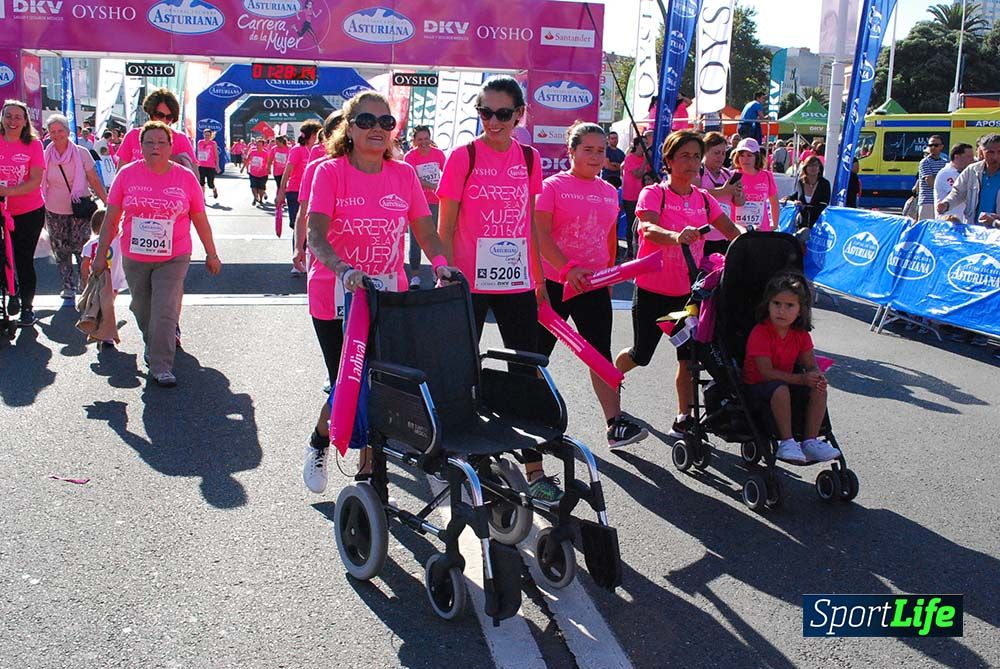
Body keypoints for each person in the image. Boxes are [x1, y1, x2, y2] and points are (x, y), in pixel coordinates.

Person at [301, 92, 453, 493]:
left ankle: (369, 471)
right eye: (366, 121)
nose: (377, 129)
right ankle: (319, 440)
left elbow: (425, 230)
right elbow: (315, 234)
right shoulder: (329, 172)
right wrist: (343, 269)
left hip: (387, 295)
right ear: (349, 128)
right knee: (347, 383)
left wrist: (441, 264)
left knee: (381, 383)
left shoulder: (403, 174)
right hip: (336, 295)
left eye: (386, 123)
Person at [437, 75, 562, 502]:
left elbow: (529, 224)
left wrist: (539, 279)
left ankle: (534, 469)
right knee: (462, 367)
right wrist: (443, 272)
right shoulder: (464, 156)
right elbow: (445, 224)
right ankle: (463, 453)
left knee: (526, 367)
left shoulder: (529, 158)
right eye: (485, 112)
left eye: (502, 113)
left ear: (519, 114)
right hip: (468, 282)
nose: (493, 121)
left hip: (516, 281)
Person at [615, 130, 740, 439]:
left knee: (689, 356)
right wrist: (676, 236)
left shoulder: (704, 198)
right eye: (685, 156)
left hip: (686, 296)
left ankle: (684, 417)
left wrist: (754, 242)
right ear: (669, 161)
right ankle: (611, 377)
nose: (692, 162)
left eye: (696, 156)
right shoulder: (654, 193)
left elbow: (730, 230)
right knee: (641, 355)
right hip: (651, 292)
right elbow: (647, 228)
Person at [535, 122, 648, 448]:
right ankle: (531, 418)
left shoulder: (608, 191)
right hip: (554, 285)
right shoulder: (552, 187)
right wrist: (566, 269)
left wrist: (608, 277)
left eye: (601, 150)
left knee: (599, 354)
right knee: (537, 356)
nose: (596, 156)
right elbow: (538, 234)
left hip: (593, 286)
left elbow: (609, 240)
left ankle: (615, 424)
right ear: (571, 152)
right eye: (588, 149)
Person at [92, 121, 222, 387]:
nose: (156, 147)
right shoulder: (127, 174)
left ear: (170, 147)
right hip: (135, 255)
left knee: (164, 309)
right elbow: (111, 218)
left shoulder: (185, 177)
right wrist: (100, 254)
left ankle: (161, 364)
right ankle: (153, 345)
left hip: (174, 255)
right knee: (142, 308)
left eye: (162, 143)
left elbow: (200, 218)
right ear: (140, 147)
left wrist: (212, 254)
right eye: (149, 142)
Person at [743, 272, 840, 463]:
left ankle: (810, 441)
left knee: (819, 388)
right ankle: (787, 441)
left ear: (800, 310)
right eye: (776, 304)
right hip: (755, 385)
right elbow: (766, 373)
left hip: (784, 382)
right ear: (768, 305)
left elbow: (811, 364)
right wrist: (802, 379)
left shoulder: (800, 334)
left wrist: (816, 376)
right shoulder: (761, 332)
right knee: (780, 389)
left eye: (789, 306)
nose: (781, 310)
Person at [42, 114, 109, 299]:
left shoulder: (81, 153)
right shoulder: (46, 155)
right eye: (53, 132)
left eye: (60, 130)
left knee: (82, 249)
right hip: (54, 210)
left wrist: (107, 201)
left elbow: (94, 179)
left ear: (68, 131)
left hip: (80, 209)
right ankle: (67, 286)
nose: (57, 135)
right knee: (61, 251)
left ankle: (85, 284)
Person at [0, 100, 46, 326]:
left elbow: (36, 180)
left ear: (25, 121)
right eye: (8, 116)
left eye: (18, 117)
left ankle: (27, 307)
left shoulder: (33, 145)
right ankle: (11, 290)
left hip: (28, 211)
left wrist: (7, 191)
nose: (13, 121)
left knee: (23, 259)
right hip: (1, 211)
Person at [403, 125, 446, 289]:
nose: (423, 143)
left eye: (426, 139)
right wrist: (434, 186)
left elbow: (446, 172)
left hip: (436, 202)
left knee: (437, 237)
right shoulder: (410, 157)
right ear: (414, 141)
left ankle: (438, 271)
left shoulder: (438, 154)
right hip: (417, 203)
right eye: (420, 139)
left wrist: (443, 188)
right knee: (416, 240)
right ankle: (415, 275)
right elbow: (414, 179)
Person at [114, 88, 196, 173]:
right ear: (151, 112)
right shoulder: (132, 136)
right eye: (160, 115)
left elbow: (195, 175)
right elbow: (120, 173)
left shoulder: (180, 138)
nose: (163, 120)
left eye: (169, 117)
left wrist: (174, 160)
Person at [80, 208, 128, 350]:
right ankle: (105, 335)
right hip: (100, 281)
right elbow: (85, 264)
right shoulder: (92, 244)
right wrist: (85, 281)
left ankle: (100, 331)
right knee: (106, 306)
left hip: (113, 281)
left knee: (105, 306)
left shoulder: (118, 240)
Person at [937, 133, 1000, 228]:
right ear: (981, 152)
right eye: (990, 152)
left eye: (999, 152)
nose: (995, 157)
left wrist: (995, 222)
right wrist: (946, 204)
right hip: (974, 229)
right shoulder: (972, 170)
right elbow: (958, 193)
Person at [276, 119, 321, 247]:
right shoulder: (297, 150)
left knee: (312, 226)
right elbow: (287, 172)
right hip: (295, 192)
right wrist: (281, 192)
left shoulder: (320, 150)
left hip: (314, 193)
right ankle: (298, 254)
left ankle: (308, 253)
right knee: (298, 225)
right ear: (312, 135)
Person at [700, 131, 745, 256]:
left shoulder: (727, 174)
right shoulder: (699, 172)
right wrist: (723, 191)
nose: (720, 157)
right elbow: (694, 195)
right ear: (705, 152)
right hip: (703, 236)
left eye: (723, 153)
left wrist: (738, 193)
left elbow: (740, 203)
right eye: (716, 153)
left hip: (724, 236)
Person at [731, 138, 779, 231]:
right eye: (742, 155)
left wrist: (774, 224)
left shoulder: (767, 176)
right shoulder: (731, 175)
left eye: (749, 155)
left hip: (761, 230)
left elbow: (774, 202)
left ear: (756, 157)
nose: (745, 159)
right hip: (738, 231)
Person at [621, 135, 651, 259]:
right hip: (630, 196)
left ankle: (638, 251)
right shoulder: (630, 158)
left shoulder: (645, 159)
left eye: (646, 143)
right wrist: (645, 162)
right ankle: (630, 252)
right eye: (643, 143)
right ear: (637, 145)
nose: (645, 146)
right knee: (631, 224)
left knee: (641, 225)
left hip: (642, 197)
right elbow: (638, 175)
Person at [783, 155, 830, 233]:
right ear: (805, 167)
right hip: (801, 223)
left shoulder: (824, 184)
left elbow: (824, 204)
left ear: (819, 168)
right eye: (810, 165)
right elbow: (796, 195)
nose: (813, 168)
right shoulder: (800, 182)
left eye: (815, 165)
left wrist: (804, 206)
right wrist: (787, 198)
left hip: (818, 224)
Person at [933, 143, 975, 221]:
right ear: (957, 157)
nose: (973, 160)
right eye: (969, 157)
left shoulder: (962, 173)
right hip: (948, 221)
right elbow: (959, 194)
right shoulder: (947, 173)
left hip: (960, 220)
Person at [915, 134, 947, 221]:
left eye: (936, 145)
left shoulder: (945, 162)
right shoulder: (925, 162)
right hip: (927, 202)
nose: (932, 147)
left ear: (941, 147)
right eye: (930, 145)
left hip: (940, 201)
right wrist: (942, 182)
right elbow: (930, 182)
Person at [245, 138, 270, 207]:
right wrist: (244, 168)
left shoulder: (265, 153)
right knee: (253, 186)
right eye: (257, 145)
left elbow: (268, 162)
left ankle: (260, 199)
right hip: (253, 173)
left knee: (261, 188)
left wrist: (269, 169)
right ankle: (255, 197)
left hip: (263, 173)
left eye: (260, 145)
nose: (258, 147)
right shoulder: (252, 152)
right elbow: (247, 160)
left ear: (263, 146)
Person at [196, 129, 219, 199]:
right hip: (201, 165)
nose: (207, 137)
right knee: (201, 182)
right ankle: (203, 198)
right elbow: (198, 153)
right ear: (203, 135)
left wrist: (217, 165)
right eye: (205, 135)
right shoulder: (200, 142)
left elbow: (216, 155)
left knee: (210, 184)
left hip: (210, 166)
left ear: (210, 136)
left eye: (208, 135)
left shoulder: (213, 143)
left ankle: (214, 189)